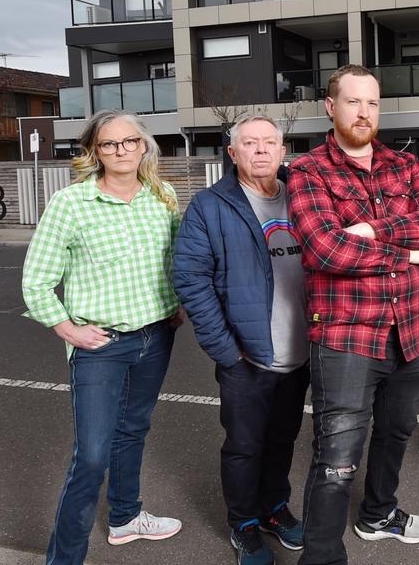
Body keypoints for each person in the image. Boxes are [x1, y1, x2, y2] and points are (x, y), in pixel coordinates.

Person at [287, 64, 419, 565]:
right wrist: (405, 253)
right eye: (354, 102)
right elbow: (325, 251)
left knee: (396, 433)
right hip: (346, 342)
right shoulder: (308, 170)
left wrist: (369, 231)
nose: (365, 112)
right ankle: (321, 557)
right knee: (335, 459)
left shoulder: (405, 166)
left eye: (373, 103)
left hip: (410, 337)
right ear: (330, 107)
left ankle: (378, 514)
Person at [21, 109, 183, 565]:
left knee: (133, 430)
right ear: (94, 151)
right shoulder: (70, 203)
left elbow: (174, 259)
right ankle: (64, 558)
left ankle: (126, 518)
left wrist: (177, 305)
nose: (122, 151)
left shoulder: (162, 195)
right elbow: (36, 280)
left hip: (156, 337)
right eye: (110, 144)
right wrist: (66, 327)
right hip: (100, 346)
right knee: (91, 456)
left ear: (143, 145)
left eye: (130, 141)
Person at [173, 114, 309, 565]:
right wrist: (226, 350)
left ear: (283, 149)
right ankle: (244, 523)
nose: (261, 150)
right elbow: (191, 279)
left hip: (301, 353)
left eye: (270, 142)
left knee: (283, 440)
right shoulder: (211, 206)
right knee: (244, 446)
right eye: (249, 143)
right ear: (232, 153)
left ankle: (273, 508)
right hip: (247, 358)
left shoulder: (306, 196)